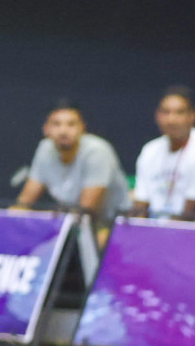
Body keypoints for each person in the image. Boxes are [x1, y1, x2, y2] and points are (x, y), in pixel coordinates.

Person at [11, 100, 130, 245]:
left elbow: (85, 211)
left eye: (71, 124)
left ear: (83, 129)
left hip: (111, 224)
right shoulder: (44, 149)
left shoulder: (98, 151)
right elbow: (23, 203)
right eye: (57, 124)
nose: (63, 131)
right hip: (70, 223)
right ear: (46, 129)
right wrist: (13, 219)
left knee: (96, 242)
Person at [132, 86, 195, 220]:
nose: (171, 120)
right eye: (166, 112)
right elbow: (141, 205)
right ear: (157, 116)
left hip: (187, 230)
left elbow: (191, 211)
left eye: (179, 113)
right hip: (151, 228)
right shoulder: (149, 150)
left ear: (192, 116)